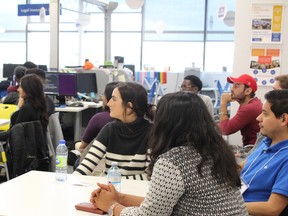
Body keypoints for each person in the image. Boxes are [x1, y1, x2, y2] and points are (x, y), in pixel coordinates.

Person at [90, 92, 248, 215]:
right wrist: (120, 198)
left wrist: (111, 206)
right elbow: (160, 204)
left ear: (166, 123)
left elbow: (149, 215)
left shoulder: (173, 161)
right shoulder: (216, 151)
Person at [73, 82, 155, 180]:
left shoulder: (151, 132)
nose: (108, 103)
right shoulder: (110, 129)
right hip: (110, 189)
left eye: (114, 99)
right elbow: (85, 167)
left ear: (129, 107)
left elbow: (149, 176)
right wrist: (71, 182)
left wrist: (114, 180)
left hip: (133, 192)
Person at [239, 90, 288, 215]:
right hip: (236, 200)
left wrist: (227, 204)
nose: (258, 118)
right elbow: (242, 166)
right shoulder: (267, 141)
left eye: (265, 114)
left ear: (283, 119)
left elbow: (272, 208)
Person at [73, 81, 119, 169]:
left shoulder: (100, 119)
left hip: (98, 165)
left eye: (103, 94)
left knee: (77, 155)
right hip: (115, 168)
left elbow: (83, 146)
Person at [219, 74, 262, 146]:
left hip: (253, 148)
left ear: (247, 91)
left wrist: (223, 102)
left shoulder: (249, 108)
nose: (231, 89)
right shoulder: (254, 102)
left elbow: (224, 130)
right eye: (232, 86)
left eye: (236, 86)